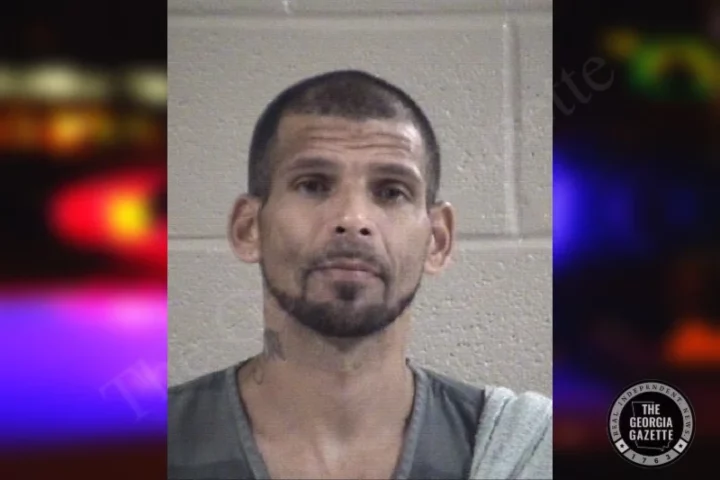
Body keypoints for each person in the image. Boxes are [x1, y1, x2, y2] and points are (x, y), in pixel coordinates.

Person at [168, 70, 552, 480]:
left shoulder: (527, 447)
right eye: (313, 185)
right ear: (249, 229)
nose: (353, 219)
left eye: (391, 191)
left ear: (438, 240)